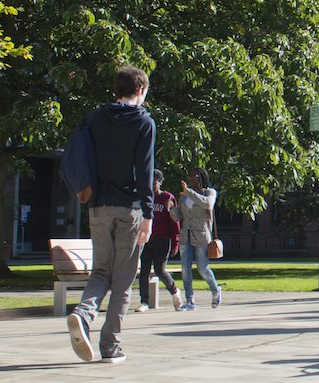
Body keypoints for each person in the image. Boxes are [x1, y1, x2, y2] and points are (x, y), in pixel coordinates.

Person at [66, 66, 156, 363]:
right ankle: (110, 345)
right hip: (129, 208)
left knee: (100, 272)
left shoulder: (94, 118)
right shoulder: (144, 122)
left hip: (98, 206)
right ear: (141, 90)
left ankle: (83, 312)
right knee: (123, 280)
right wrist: (148, 214)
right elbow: (144, 171)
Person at [137, 170, 183, 311]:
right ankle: (144, 302)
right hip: (146, 239)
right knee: (143, 271)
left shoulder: (167, 198)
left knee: (160, 270)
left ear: (160, 182)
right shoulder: (144, 198)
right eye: (150, 182)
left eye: (155, 182)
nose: (152, 185)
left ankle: (175, 292)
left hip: (162, 239)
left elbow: (174, 222)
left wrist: (175, 242)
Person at [177, 167, 221, 309]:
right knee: (185, 269)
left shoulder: (210, 192)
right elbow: (178, 215)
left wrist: (189, 192)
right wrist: (170, 209)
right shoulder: (184, 195)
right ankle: (190, 301)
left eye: (194, 176)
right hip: (186, 236)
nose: (190, 179)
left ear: (201, 177)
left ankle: (216, 290)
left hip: (201, 236)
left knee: (203, 268)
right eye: (189, 176)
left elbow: (207, 203)